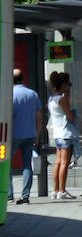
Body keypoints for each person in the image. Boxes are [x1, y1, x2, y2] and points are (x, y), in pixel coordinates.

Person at [11, 69, 41, 206]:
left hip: (12, 135)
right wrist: (37, 135)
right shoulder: (32, 94)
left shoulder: (9, 94)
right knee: (27, 165)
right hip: (30, 134)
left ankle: (9, 194)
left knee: (4, 163)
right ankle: (25, 195)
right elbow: (39, 117)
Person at [48, 71, 78, 201]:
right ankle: (62, 190)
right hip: (65, 134)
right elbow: (70, 117)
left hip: (57, 134)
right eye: (69, 84)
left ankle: (55, 191)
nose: (70, 87)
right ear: (64, 85)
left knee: (58, 163)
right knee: (65, 163)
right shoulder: (62, 99)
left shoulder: (52, 99)